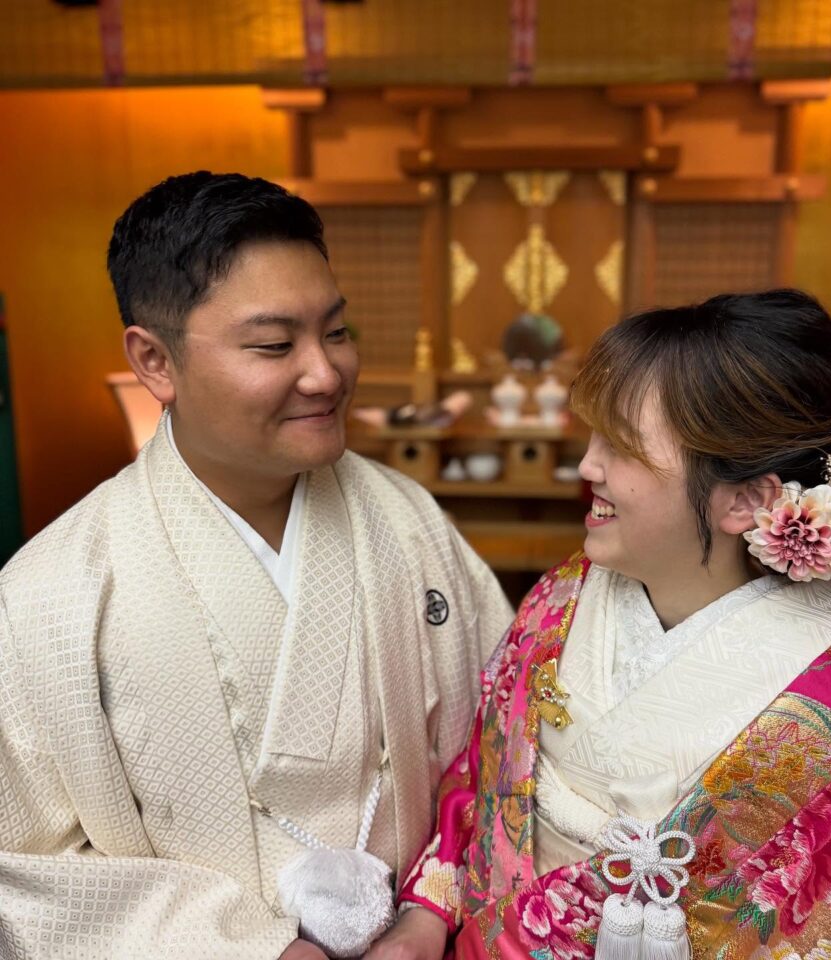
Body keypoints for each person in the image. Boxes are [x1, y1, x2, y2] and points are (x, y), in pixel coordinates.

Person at [0, 172, 512, 959]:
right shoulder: (52, 597)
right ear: (155, 361)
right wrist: (249, 948)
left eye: (335, 332)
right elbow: (23, 869)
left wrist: (429, 914)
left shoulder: (407, 523)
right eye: (275, 345)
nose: (325, 373)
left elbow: (504, 745)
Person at [396, 290, 831, 960]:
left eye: (623, 447)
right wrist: (424, 917)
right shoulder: (563, 596)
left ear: (747, 500)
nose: (588, 467)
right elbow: (478, 786)